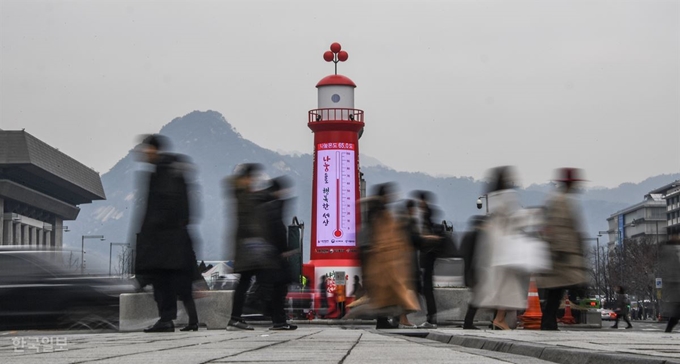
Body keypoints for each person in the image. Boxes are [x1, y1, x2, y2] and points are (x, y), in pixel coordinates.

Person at [133, 134, 199, 333]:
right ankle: (178, 320)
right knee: (174, 281)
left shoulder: (163, 172)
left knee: (162, 280)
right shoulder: (173, 170)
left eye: (145, 148)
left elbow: (158, 208)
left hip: (163, 240)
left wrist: (148, 235)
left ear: (153, 149)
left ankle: (167, 319)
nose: (142, 152)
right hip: (175, 239)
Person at [470, 166, 529, 331]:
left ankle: (500, 318)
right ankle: (500, 318)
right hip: (505, 245)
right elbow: (516, 218)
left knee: (501, 284)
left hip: (493, 245)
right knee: (508, 284)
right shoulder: (508, 196)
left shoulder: (492, 197)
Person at [359, 183, 420, 329]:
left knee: (383, 292)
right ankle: (387, 320)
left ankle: (384, 320)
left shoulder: (375, 211)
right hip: (381, 259)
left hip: (378, 258)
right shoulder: (379, 213)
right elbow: (382, 236)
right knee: (385, 291)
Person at [536, 168, 589, 331]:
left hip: (560, 254)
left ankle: (549, 321)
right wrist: (561, 250)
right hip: (561, 255)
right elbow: (559, 227)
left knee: (556, 290)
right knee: (558, 289)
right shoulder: (561, 201)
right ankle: (548, 322)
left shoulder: (560, 199)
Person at [226, 163, 273, 330]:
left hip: (247, 249)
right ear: (245, 178)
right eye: (251, 178)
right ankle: (238, 317)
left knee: (246, 282)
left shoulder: (241, 194)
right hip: (249, 249)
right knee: (252, 281)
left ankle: (237, 317)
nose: (253, 181)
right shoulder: (243, 196)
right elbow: (249, 222)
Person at [256, 176, 298, 330]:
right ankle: (279, 321)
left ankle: (279, 320)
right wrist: (284, 250)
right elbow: (277, 230)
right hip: (274, 256)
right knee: (279, 289)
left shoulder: (265, 204)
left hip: (269, 255)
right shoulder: (273, 206)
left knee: (277, 289)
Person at [460, 215, 487, 330]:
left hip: (469, 272)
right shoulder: (478, 236)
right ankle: (468, 322)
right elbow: (478, 256)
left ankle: (468, 322)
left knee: (476, 298)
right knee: (476, 298)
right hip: (475, 273)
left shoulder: (468, 236)